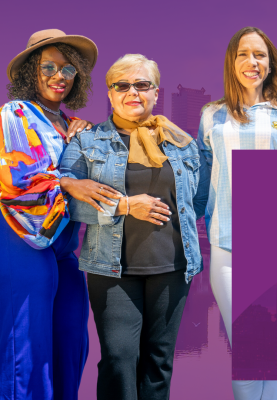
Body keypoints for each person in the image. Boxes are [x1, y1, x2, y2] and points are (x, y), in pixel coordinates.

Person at [59, 53, 207, 400]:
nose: (132, 92)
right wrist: (124, 205)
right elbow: (65, 197)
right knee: (119, 358)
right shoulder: (86, 142)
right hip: (112, 269)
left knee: (158, 363)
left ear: (156, 92)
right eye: (122, 85)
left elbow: (199, 198)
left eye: (142, 85)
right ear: (110, 95)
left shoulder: (181, 142)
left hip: (173, 267)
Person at [0, 29, 121, 400]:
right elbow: (15, 180)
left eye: (68, 69)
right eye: (48, 67)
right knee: (28, 351)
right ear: (30, 73)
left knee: (71, 343)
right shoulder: (14, 114)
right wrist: (68, 183)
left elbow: (100, 182)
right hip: (23, 241)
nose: (59, 76)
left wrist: (84, 143)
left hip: (65, 248)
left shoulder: (72, 125)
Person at [197, 26, 277, 400]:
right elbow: (199, 177)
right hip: (226, 247)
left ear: (271, 63)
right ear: (232, 61)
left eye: (260, 54)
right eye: (244, 53)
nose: (252, 62)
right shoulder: (210, 116)